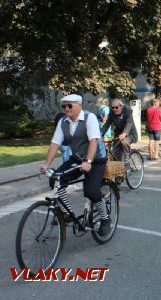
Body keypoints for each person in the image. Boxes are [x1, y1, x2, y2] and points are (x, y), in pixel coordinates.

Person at [40, 94, 110, 236]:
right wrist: (46, 164)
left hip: (96, 159)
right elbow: (55, 143)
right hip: (77, 158)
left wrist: (88, 162)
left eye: (69, 105)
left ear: (79, 105)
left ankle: (105, 217)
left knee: (91, 191)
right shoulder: (63, 122)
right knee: (55, 179)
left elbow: (93, 141)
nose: (66, 109)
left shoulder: (89, 118)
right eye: (64, 106)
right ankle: (67, 213)